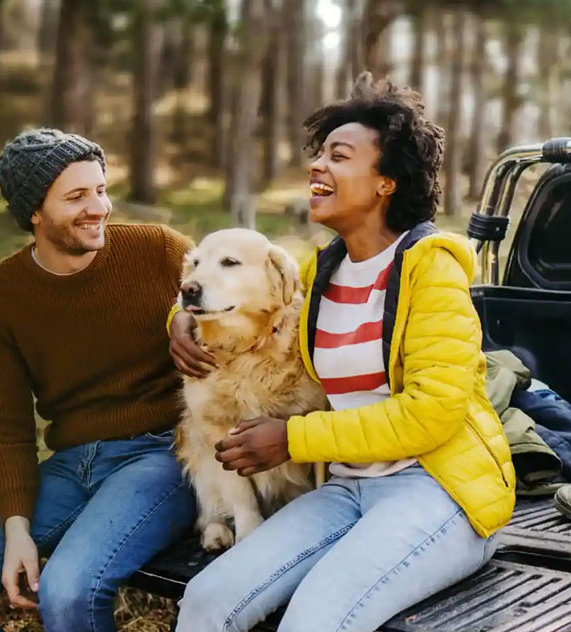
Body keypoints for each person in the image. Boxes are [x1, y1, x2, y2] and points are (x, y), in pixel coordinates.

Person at [174, 75, 516, 632]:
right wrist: (182, 319)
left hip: (439, 489)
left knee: (315, 622)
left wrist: (292, 438)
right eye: (318, 155)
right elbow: (240, 305)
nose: (317, 167)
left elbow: (432, 413)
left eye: (339, 155)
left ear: (385, 181)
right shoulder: (320, 273)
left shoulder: (431, 269)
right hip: (346, 485)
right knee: (207, 603)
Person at [0, 128, 210, 632]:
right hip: (70, 466)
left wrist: (183, 313)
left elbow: (228, 297)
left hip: (160, 454)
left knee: (69, 591)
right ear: (35, 214)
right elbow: (6, 427)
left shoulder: (157, 249)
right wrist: (17, 528)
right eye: (77, 196)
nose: (99, 208)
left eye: (101, 189)